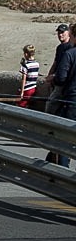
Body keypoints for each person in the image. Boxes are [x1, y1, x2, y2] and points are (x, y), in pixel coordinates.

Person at [51, 23, 76, 167]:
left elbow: (60, 78)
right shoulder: (63, 50)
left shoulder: (70, 53)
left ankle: (62, 170)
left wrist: (52, 79)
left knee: (65, 138)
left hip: (71, 100)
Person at [45, 24, 72, 115]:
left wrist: (54, 76)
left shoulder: (70, 48)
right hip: (56, 80)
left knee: (51, 105)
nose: (60, 35)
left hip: (63, 82)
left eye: (62, 32)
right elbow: (55, 63)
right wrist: (49, 76)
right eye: (59, 33)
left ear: (69, 33)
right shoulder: (60, 47)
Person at [17, 44, 39, 108]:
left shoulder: (25, 66)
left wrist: (22, 92)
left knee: (20, 105)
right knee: (28, 105)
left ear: (26, 54)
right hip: (33, 88)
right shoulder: (37, 64)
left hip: (27, 89)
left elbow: (24, 79)